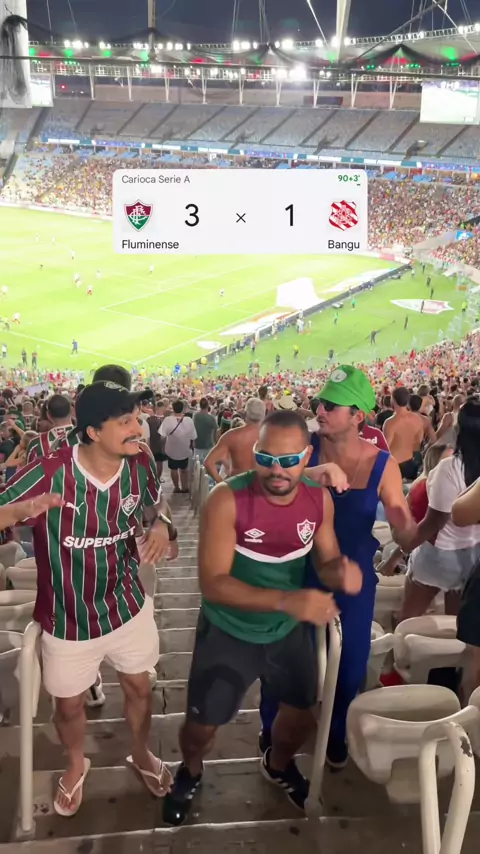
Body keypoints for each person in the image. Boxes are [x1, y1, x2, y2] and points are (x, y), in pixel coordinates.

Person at [162, 410, 362, 826]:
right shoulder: (227, 500)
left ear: (306, 457)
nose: (276, 470)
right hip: (228, 630)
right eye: (266, 458)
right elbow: (214, 583)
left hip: (286, 632)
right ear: (254, 453)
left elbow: (325, 559)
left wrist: (339, 572)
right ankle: (190, 769)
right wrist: (289, 601)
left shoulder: (318, 500)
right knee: (201, 727)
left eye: (288, 460)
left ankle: (278, 764)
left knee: (300, 717)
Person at [0, 381, 174, 816]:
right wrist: (21, 511)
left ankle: (141, 752)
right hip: (67, 618)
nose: (139, 429)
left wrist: (161, 525)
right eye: (126, 422)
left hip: (127, 605)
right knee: (68, 705)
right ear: (93, 431)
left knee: (140, 687)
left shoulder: (141, 461)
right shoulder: (50, 471)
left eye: (138, 419)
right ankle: (76, 763)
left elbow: (156, 506)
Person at [259, 366, 417, 768]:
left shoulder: (382, 464)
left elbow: (402, 523)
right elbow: (258, 483)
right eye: (320, 403)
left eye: (331, 405)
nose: (320, 410)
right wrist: (312, 474)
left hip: (352, 578)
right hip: (295, 571)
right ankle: (271, 728)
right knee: (282, 662)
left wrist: (423, 526)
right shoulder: (301, 447)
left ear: (357, 416)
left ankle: (335, 730)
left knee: (350, 667)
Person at [393, 398, 480, 621]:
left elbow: (434, 523)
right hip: (472, 555)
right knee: (455, 622)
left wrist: (404, 546)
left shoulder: (449, 468)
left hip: (440, 556)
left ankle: (402, 643)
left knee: (409, 617)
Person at [204, 398, 265, 483]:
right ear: (263, 415)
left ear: (245, 413)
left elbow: (208, 463)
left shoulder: (231, 435)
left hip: (237, 486)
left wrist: (222, 484)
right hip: (261, 487)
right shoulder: (271, 437)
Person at [383, 387, 424, 480]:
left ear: (393, 400)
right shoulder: (417, 418)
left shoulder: (390, 423)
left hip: (395, 464)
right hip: (411, 462)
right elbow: (419, 439)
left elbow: (386, 447)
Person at [160, 400, 197, 493]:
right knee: (184, 469)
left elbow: (162, 436)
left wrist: (163, 447)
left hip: (171, 449)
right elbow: (193, 436)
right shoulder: (189, 420)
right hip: (185, 449)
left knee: (173, 469)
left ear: (173, 408)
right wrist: (192, 446)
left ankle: (176, 487)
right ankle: (184, 487)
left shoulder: (168, 420)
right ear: (183, 409)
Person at [26, 394, 74, 464]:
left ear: (48, 415)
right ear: (71, 411)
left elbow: (30, 469)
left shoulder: (35, 444)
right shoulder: (85, 437)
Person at [193, 398, 217, 464]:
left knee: (197, 464)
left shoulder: (195, 416)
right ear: (208, 406)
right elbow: (215, 432)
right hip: (208, 444)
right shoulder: (212, 418)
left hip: (197, 443)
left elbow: (193, 428)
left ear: (200, 405)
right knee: (207, 464)